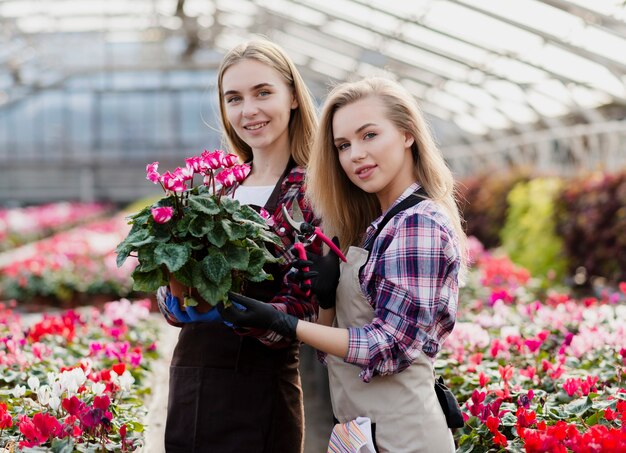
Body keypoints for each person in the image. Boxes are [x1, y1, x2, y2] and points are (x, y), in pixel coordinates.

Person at [222, 77, 468, 453]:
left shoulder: (419, 222)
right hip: (361, 434)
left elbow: (389, 346)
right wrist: (326, 301)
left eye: (369, 135)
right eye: (343, 145)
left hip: (406, 438)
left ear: (407, 134)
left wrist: (286, 323)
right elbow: (336, 353)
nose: (355, 154)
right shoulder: (378, 224)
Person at [155, 39, 320, 453]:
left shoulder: (312, 192)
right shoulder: (218, 187)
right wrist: (172, 299)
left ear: (294, 97)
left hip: (260, 386)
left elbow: (314, 305)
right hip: (193, 377)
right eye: (234, 98)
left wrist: (261, 317)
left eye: (263, 92)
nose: (249, 110)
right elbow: (177, 274)